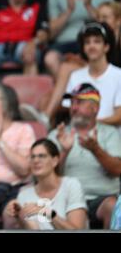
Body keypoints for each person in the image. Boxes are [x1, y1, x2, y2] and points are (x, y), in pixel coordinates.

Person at [48, 83, 121, 229]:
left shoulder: (110, 133)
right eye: (72, 102)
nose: (73, 108)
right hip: (65, 198)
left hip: (101, 199)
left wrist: (96, 150)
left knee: (113, 206)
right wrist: (64, 151)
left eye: (79, 102)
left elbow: (118, 170)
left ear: (95, 108)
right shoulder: (57, 134)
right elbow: (45, 175)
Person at [45, 0, 112, 79]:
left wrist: (88, 7)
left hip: (95, 41)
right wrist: (69, 11)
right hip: (64, 43)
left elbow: (110, 28)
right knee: (50, 58)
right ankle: (68, 92)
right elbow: (51, 33)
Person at [3, 139, 88, 230]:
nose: (36, 160)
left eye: (42, 156)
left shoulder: (71, 185)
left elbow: (78, 231)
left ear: (55, 161)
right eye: (32, 157)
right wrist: (19, 217)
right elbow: (31, 229)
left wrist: (48, 213)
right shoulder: (24, 194)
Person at [0, 83, 35, 218]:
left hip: (12, 191)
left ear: (7, 103)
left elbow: (23, 169)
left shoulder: (23, 130)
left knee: (12, 213)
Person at [62, 22, 121, 132]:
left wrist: (92, 123)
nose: (91, 46)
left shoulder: (119, 75)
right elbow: (68, 107)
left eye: (97, 41)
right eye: (87, 42)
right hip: (80, 133)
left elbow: (119, 117)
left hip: (110, 134)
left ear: (106, 47)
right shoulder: (75, 76)